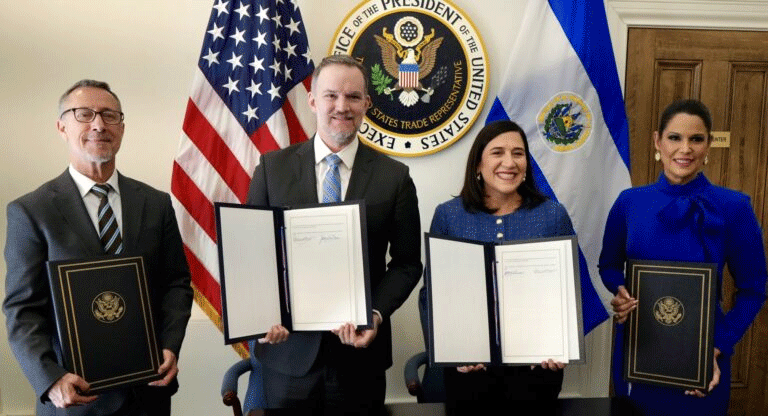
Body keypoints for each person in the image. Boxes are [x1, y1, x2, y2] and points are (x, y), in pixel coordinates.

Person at [3, 80, 193, 416]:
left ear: (122, 128)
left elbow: (176, 284)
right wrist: (49, 379)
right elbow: (23, 309)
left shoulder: (156, 203)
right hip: (74, 398)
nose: (99, 125)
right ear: (62, 127)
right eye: (84, 114)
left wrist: (170, 345)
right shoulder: (31, 211)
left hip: (148, 392)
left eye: (109, 115)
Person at [246, 54, 422, 414]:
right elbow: (252, 253)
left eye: (353, 97)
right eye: (331, 95)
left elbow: (407, 264)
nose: (342, 106)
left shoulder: (394, 177)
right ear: (313, 101)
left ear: (367, 104)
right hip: (288, 356)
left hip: (360, 357)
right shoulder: (271, 169)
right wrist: (263, 312)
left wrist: (374, 314)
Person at [599, 99, 767, 415]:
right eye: (675, 137)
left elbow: (754, 289)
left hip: (704, 353)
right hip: (639, 349)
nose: (685, 148)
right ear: (658, 141)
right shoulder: (629, 203)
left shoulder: (735, 207)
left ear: (708, 145)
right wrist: (620, 291)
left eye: (696, 139)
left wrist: (718, 345)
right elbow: (608, 264)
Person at [423, 120, 572, 412]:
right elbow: (432, 295)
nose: (509, 162)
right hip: (469, 370)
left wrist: (561, 342)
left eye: (518, 153)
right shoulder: (449, 216)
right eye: (497, 152)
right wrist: (452, 349)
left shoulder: (552, 215)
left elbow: (567, 291)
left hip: (536, 371)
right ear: (478, 164)